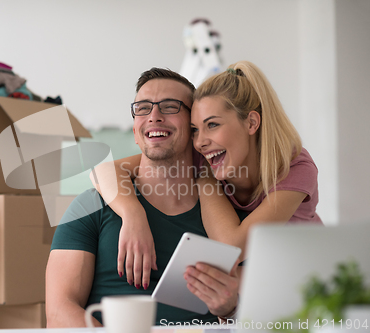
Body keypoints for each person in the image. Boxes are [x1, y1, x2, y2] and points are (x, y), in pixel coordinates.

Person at [92, 60, 323, 297]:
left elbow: (229, 247)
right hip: (261, 279)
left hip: (309, 274)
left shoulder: (293, 166)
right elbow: (102, 171)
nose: (200, 141)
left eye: (212, 124)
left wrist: (205, 177)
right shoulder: (206, 154)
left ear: (252, 122)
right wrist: (133, 216)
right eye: (194, 130)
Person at [46, 68, 242, 328]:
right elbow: (59, 312)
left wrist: (230, 309)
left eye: (170, 107)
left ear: (194, 128)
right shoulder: (90, 207)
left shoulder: (229, 216)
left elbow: (263, 315)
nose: (154, 116)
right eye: (143, 107)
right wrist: (133, 213)